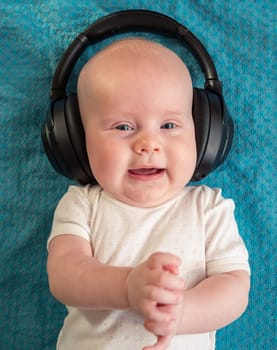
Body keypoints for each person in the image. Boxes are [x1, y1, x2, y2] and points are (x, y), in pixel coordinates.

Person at [47, 38, 250, 350]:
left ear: (206, 135)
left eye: (168, 125)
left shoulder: (208, 208)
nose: (148, 144)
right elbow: (64, 275)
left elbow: (234, 288)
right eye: (123, 127)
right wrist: (127, 287)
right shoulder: (82, 204)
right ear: (75, 142)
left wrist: (182, 313)